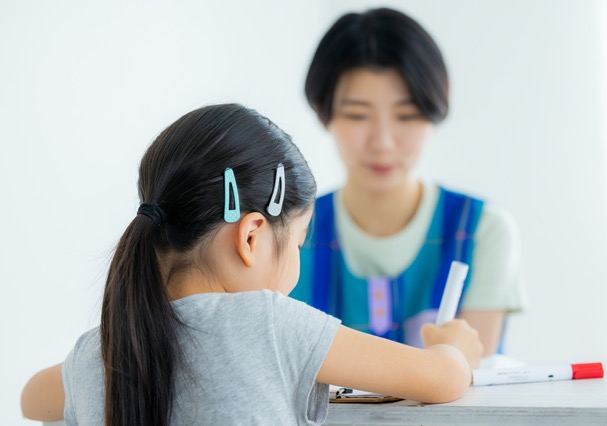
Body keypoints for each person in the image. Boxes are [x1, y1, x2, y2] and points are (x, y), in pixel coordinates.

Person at [21, 104, 482, 425]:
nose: (297, 263)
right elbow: (441, 379)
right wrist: (454, 346)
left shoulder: (97, 352)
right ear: (252, 236)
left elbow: (31, 399)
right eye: (299, 243)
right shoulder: (266, 322)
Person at [289, 8, 526, 355]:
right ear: (321, 112)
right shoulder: (287, 232)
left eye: (407, 116)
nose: (383, 141)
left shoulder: (483, 231)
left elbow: (477, 379)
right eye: (357, 115)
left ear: (434, 112)